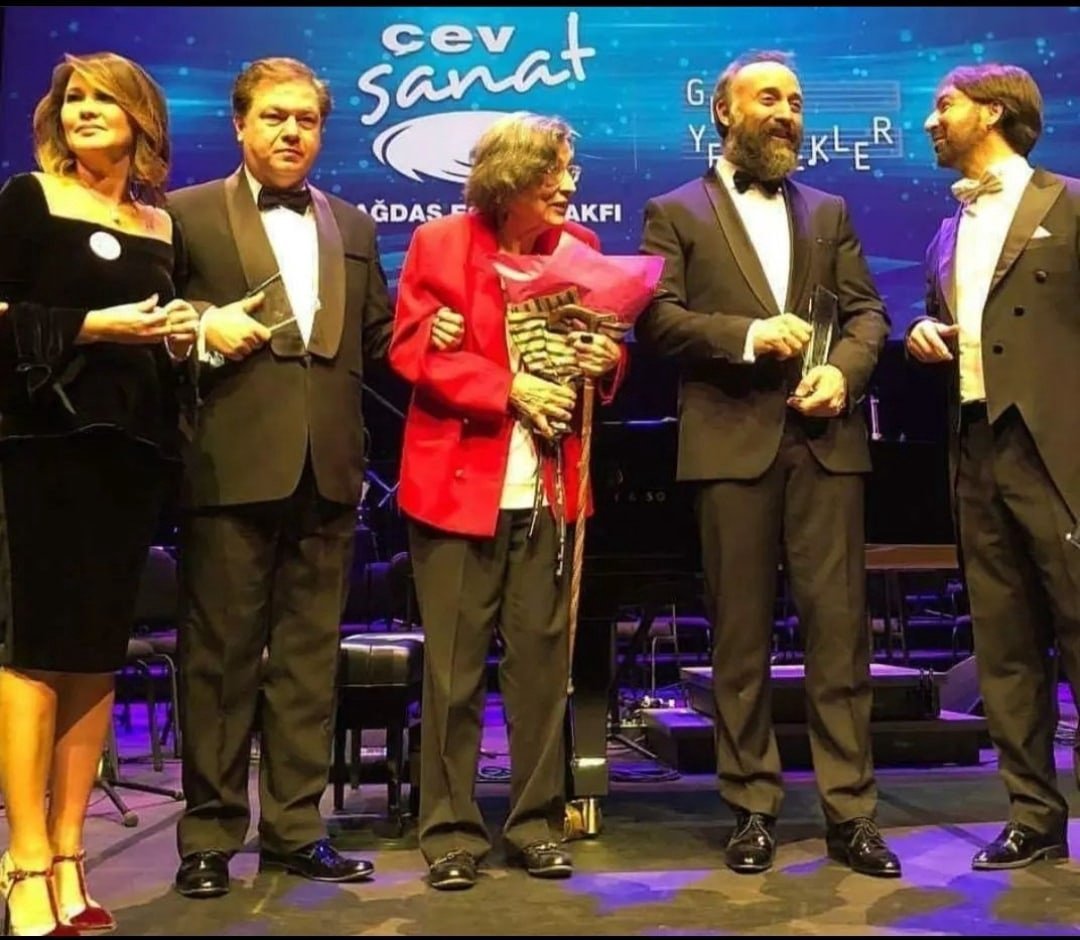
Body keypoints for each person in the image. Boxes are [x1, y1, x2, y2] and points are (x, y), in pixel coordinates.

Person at [166, 55, 447, 899]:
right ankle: (209, 835)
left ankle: (295, 828)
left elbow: (378, 340)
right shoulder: (183, 214)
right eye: (275, 116)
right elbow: (159, 325)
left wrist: (447, 331)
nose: (292, 132)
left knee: (308, 658)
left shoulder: (351, 224)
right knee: (219, 661)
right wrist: (204, 325)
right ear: (240, 124)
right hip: (228, 464)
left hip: (328, 470)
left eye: (307, 120)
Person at [637, 50, 900, 878]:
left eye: (795, 100)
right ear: (725, 113)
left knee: (840, 636)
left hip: (826, 446)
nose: (787, 112)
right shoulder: (673, 211)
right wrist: (748, 335)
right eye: (769, 99)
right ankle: (751, 806)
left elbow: (867, 315)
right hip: (729, 444)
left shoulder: (829, 210)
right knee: (740, 639)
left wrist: (844, 373)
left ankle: (851, 812)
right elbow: (656, 319)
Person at [389, 112, 624, 891]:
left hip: (552, 490)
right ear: (509, 180)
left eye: (570, 170)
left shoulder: (580, 248)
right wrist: (508, 387)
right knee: (455, 674)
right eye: (553, 173)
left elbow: (603, 354)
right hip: (458, 487)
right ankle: (451, 833)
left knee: (540, 672)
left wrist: (605, 358)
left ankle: (534, 824)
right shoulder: (440, 244)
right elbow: (412, 351)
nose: (568, 186)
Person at [0, 51, 198, 935]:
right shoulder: (28, 200)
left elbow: (157, 341)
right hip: (41, 450)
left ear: (141, 120)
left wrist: (179, 334)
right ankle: (24, 861)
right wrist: (90, 324)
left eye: (101, 99)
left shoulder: (160, 226)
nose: (82, 110)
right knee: (35, 650)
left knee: (95, 657)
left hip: (131, 457)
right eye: (72, 98)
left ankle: (71, 855)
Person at [908, 62, 1080, 871]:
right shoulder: (945, 233)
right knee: (1005, 642)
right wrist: (924, 330)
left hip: (1059, 451)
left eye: (944, 105)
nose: (930, 121)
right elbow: (959, 324)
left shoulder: (1068, 204)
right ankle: (1033, 817)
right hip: (976, 448)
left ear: (994, 112)